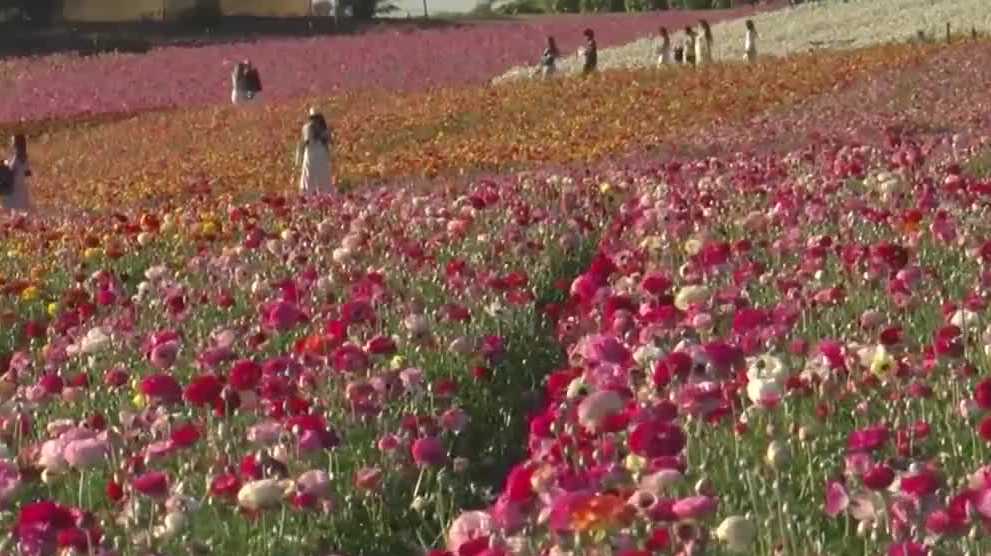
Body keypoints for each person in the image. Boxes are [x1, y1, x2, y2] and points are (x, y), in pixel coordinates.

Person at [296, 108, 333, 196]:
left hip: (320, 154)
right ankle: (309, 194)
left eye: (317, 117)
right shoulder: (308, 127)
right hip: (311, 153)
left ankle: (323, 194)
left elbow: (328, 141)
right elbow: (305, 142)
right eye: (314, 118)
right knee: (310, 175)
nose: (315, 119)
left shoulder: (323, 128)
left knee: (322, 175)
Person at [2, 134, 32, 213]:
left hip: (14, 185)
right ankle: (19, 219)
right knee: (21, 204)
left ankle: (16, 220)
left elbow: (11, 170)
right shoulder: (25, 157)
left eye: (13, 143)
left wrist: (5, 164)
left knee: (14, 204)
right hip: (21, 184)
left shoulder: (16, 158)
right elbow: (27, 172)